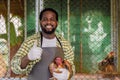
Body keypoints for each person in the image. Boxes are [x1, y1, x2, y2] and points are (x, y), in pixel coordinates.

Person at [11, 8, 75, 80]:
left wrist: (68, 74)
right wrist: (28, 57)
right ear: (40, 22)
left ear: (57, 23)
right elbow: (14, 67)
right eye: (45, 19)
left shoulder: (64, 43)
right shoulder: (30, 42)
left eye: (52, 19)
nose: (48, 22)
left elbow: (71, 66)